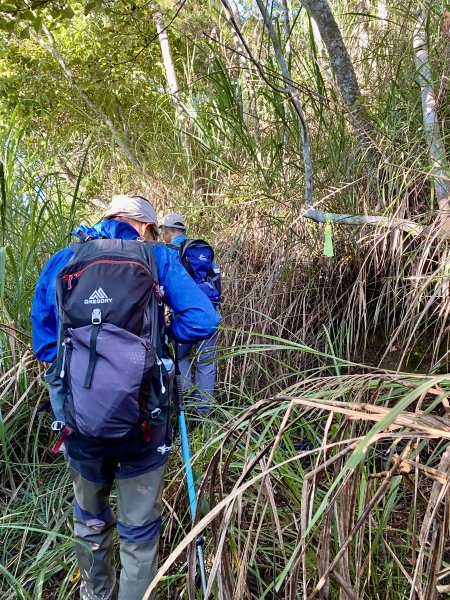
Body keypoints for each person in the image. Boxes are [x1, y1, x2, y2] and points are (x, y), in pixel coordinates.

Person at [31, 195, 219, 600]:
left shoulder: (64, 260)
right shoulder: (157, 259)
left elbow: (45, 345)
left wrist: (85, 369)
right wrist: (157, 346)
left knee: (89, 520)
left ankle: (96, 594)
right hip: (145, 422)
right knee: (139, 532)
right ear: (146, 227)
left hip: (79, 423)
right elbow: (204, 318)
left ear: (107, 220)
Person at [160, 213, 220, 415]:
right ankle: (205, 415)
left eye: (163, 231)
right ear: (184, 230)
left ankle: (186, 407)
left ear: (167, 230)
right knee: (206, 364)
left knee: (180, 359)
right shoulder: (201, 249)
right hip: (210, 312)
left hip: (184, 317)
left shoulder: (169, 252)